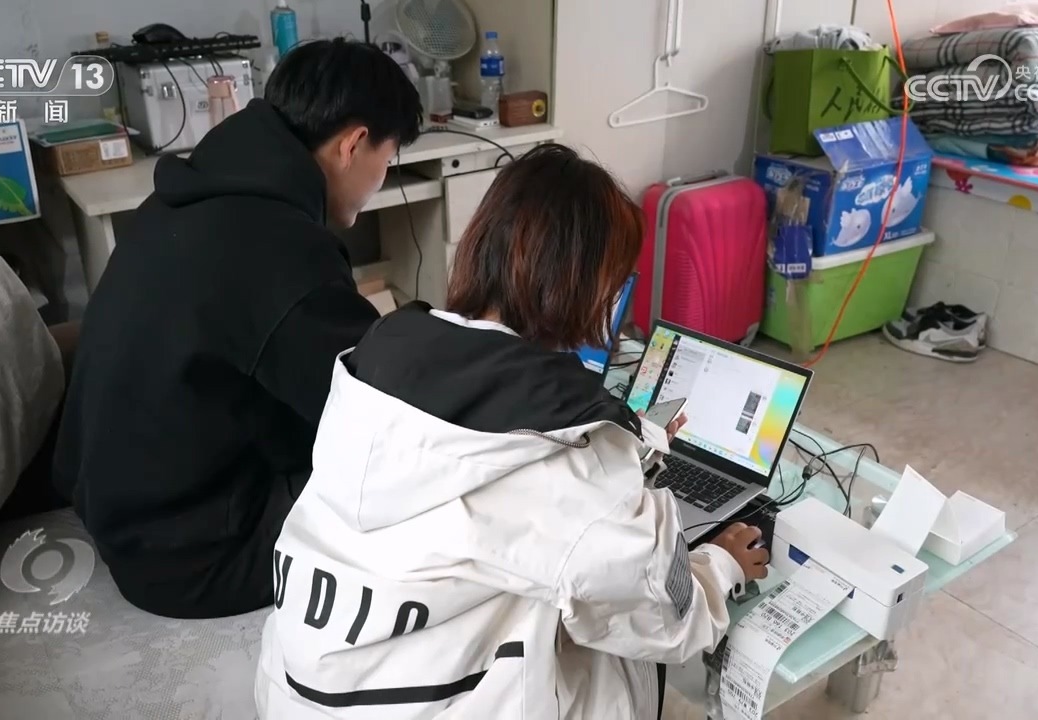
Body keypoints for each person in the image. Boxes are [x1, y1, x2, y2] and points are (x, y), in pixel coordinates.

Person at [254, 144, 770, 719]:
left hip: (298, 689)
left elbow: (493, 474)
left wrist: (627, 441)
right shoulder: (564, 458)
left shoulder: (374, 363)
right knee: (617, 652)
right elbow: (666, 619)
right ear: (589, 285)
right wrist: (720, 566)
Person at [52, 39, 423, 619]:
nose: (383, 176)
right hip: (192, 556)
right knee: (424, 488)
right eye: (389, 157)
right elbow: (379, 413)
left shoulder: (188, 197)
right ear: (353, 144)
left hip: (125, 515)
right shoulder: (282, 250)